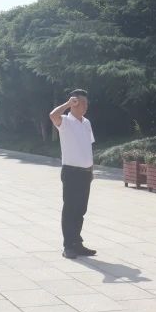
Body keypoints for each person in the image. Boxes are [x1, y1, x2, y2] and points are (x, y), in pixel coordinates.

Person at [50, 90, 97, 259]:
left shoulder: (86, 123)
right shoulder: (65, 121)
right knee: (70, 209)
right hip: (71, 172)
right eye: (81, 103)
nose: (85, 106)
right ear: (74, 103)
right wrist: (68, 104)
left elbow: (87, 147)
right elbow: (52, 115)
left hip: (85, 173)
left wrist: (91, 169)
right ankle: (68, 246)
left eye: (86, 103)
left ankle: (77, 243)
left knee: (80, 210)